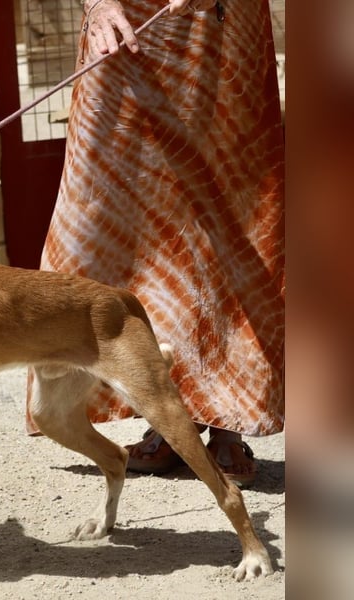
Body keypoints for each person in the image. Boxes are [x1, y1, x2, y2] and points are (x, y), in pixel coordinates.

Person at [24, 0, 285, 487]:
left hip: (220, 26)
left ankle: (224, 414)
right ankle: (159, 408)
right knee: (104, 209)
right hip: (125, 25)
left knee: (229, 205)